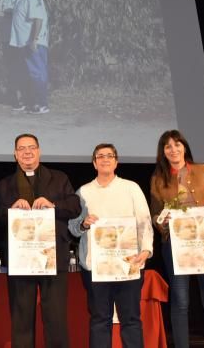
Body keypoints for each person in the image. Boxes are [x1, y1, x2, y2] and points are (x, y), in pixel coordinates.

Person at [0, 133, 81, 347]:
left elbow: (74, 206)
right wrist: (10, 209)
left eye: (31, 147)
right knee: (21, 319)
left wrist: (53, 205)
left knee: (56, 319)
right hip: (20, 258)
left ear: (39, 151)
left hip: (54, 257)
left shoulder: (59, 178)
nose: (27, 152)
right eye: (22, 148)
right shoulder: (5, 184)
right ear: (15, 154)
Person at [68, 143, 153, 348]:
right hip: (95, 268)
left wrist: (146, 250)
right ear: (94, 163)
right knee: (100, 320)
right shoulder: (83, 192)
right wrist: (83, 223)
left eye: (109, 156)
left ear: (116, 161)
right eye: (100, 156)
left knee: (131, 319)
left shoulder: (131, 187)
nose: (105, 159)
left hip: (129, 264)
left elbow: (144, 221)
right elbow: (72, 227)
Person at [149, 129, 204, 348]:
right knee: (180, 301)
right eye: (168, 146)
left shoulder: (203, 170)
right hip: (176, 244)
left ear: (184, 147)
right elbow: (155, 214)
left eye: (177, 144)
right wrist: (162, 221)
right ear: (163, 152)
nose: (173, 150)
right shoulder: (157, 178)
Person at [9, 0, 50, 114]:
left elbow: (38, 19)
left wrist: (34, 39)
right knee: (30, 73)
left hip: (32, 42)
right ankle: (33, 102)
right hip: (23, 42)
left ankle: (42, 104)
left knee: (38, 72)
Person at [0, 0, 24, 110]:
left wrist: (3, 13)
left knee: (17, 66)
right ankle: (12, 96)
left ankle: (19, 97)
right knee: (10, 66)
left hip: (15, 37)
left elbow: (17, 12)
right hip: (5, 36)